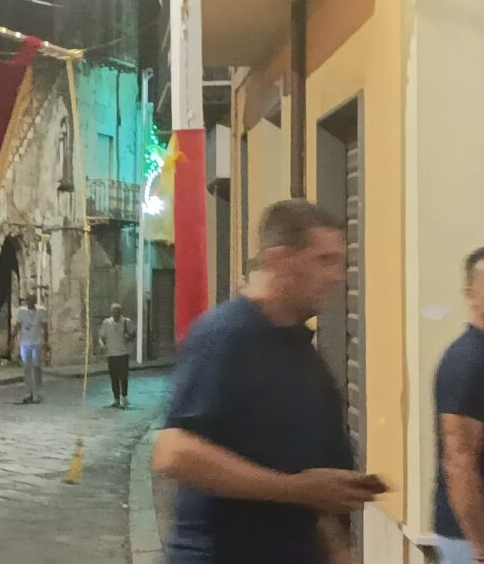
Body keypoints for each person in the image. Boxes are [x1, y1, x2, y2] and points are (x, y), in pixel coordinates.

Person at [152, 200, 386, 563]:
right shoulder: (225, 336)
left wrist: (340, 549)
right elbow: (174, 452)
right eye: (324, 260)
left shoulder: (304, 354)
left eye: (340, 262)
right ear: (279, 260)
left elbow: (313, 483)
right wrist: (294, 490)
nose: (338, 276)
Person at [433, 247, 484, 564]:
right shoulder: (468, 363)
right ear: (471, 294)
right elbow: (459, 460)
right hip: (468, 541)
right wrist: (480, 544)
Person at [14, 294, 48, 404]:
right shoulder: (22, 311)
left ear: (35, 301)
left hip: (36, 343)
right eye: (27, 300)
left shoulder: (41, 311)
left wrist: (46, 342)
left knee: (37, 369)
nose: (28, 302)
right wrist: (12, 338)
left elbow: (44, 327)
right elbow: (18, 326)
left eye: (31, 300)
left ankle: (39, 394)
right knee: (26, 370)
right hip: (25, 343)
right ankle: (28, 394)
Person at [99, 303, 134, 409]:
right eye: (113, 312)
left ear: (120, 312)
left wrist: (129, 336)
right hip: (111, 354)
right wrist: (102, 345)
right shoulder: (106, 323)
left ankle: (124, 397)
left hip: (123, 354)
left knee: (123, 377)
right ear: (111, 312)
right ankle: (116, 399)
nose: (115, 314)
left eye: (117, 312)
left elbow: (133, 334)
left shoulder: (126, 322)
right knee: (113, 378)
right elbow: (102, 336)